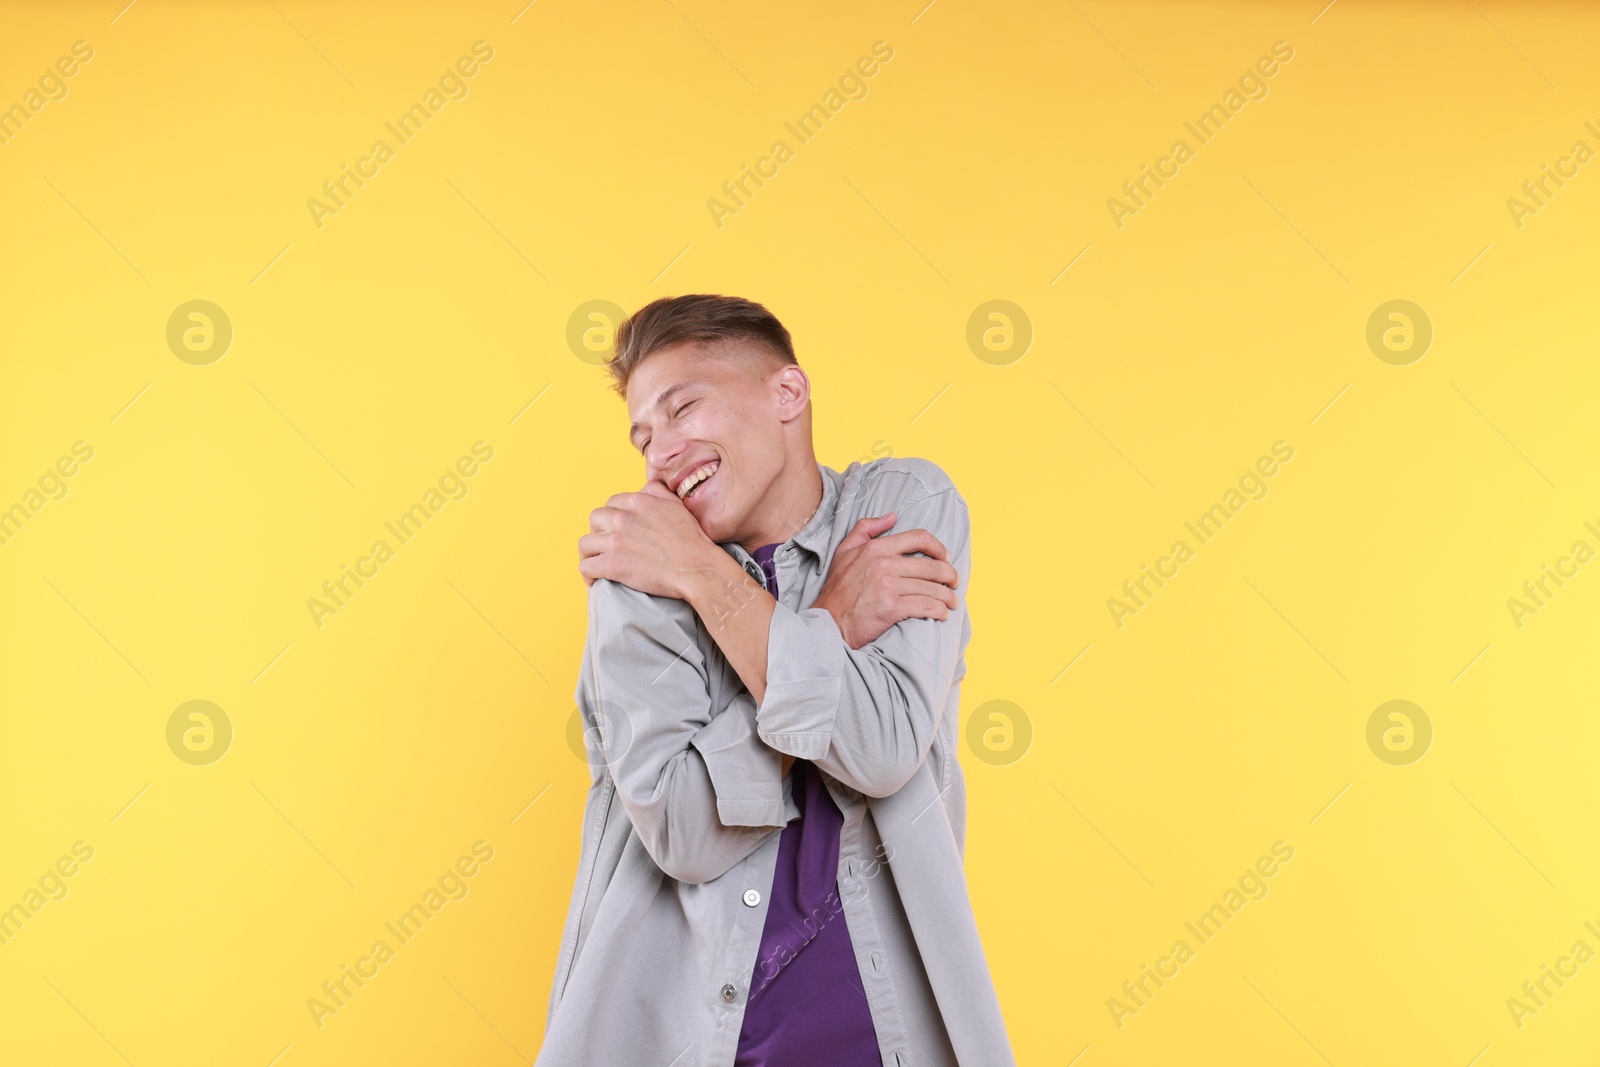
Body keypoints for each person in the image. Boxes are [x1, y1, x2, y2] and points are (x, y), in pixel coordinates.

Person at [537, 294, 1014, 1066]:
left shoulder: (904, 507)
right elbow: (686, 834)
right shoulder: (637, 582)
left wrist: (701, 577)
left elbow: (884, 747)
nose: (660, 452)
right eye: (643, 437)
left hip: (884, 1038)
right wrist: (824, 617)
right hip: (683, 1039)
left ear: (787, 393)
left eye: (682, 407)